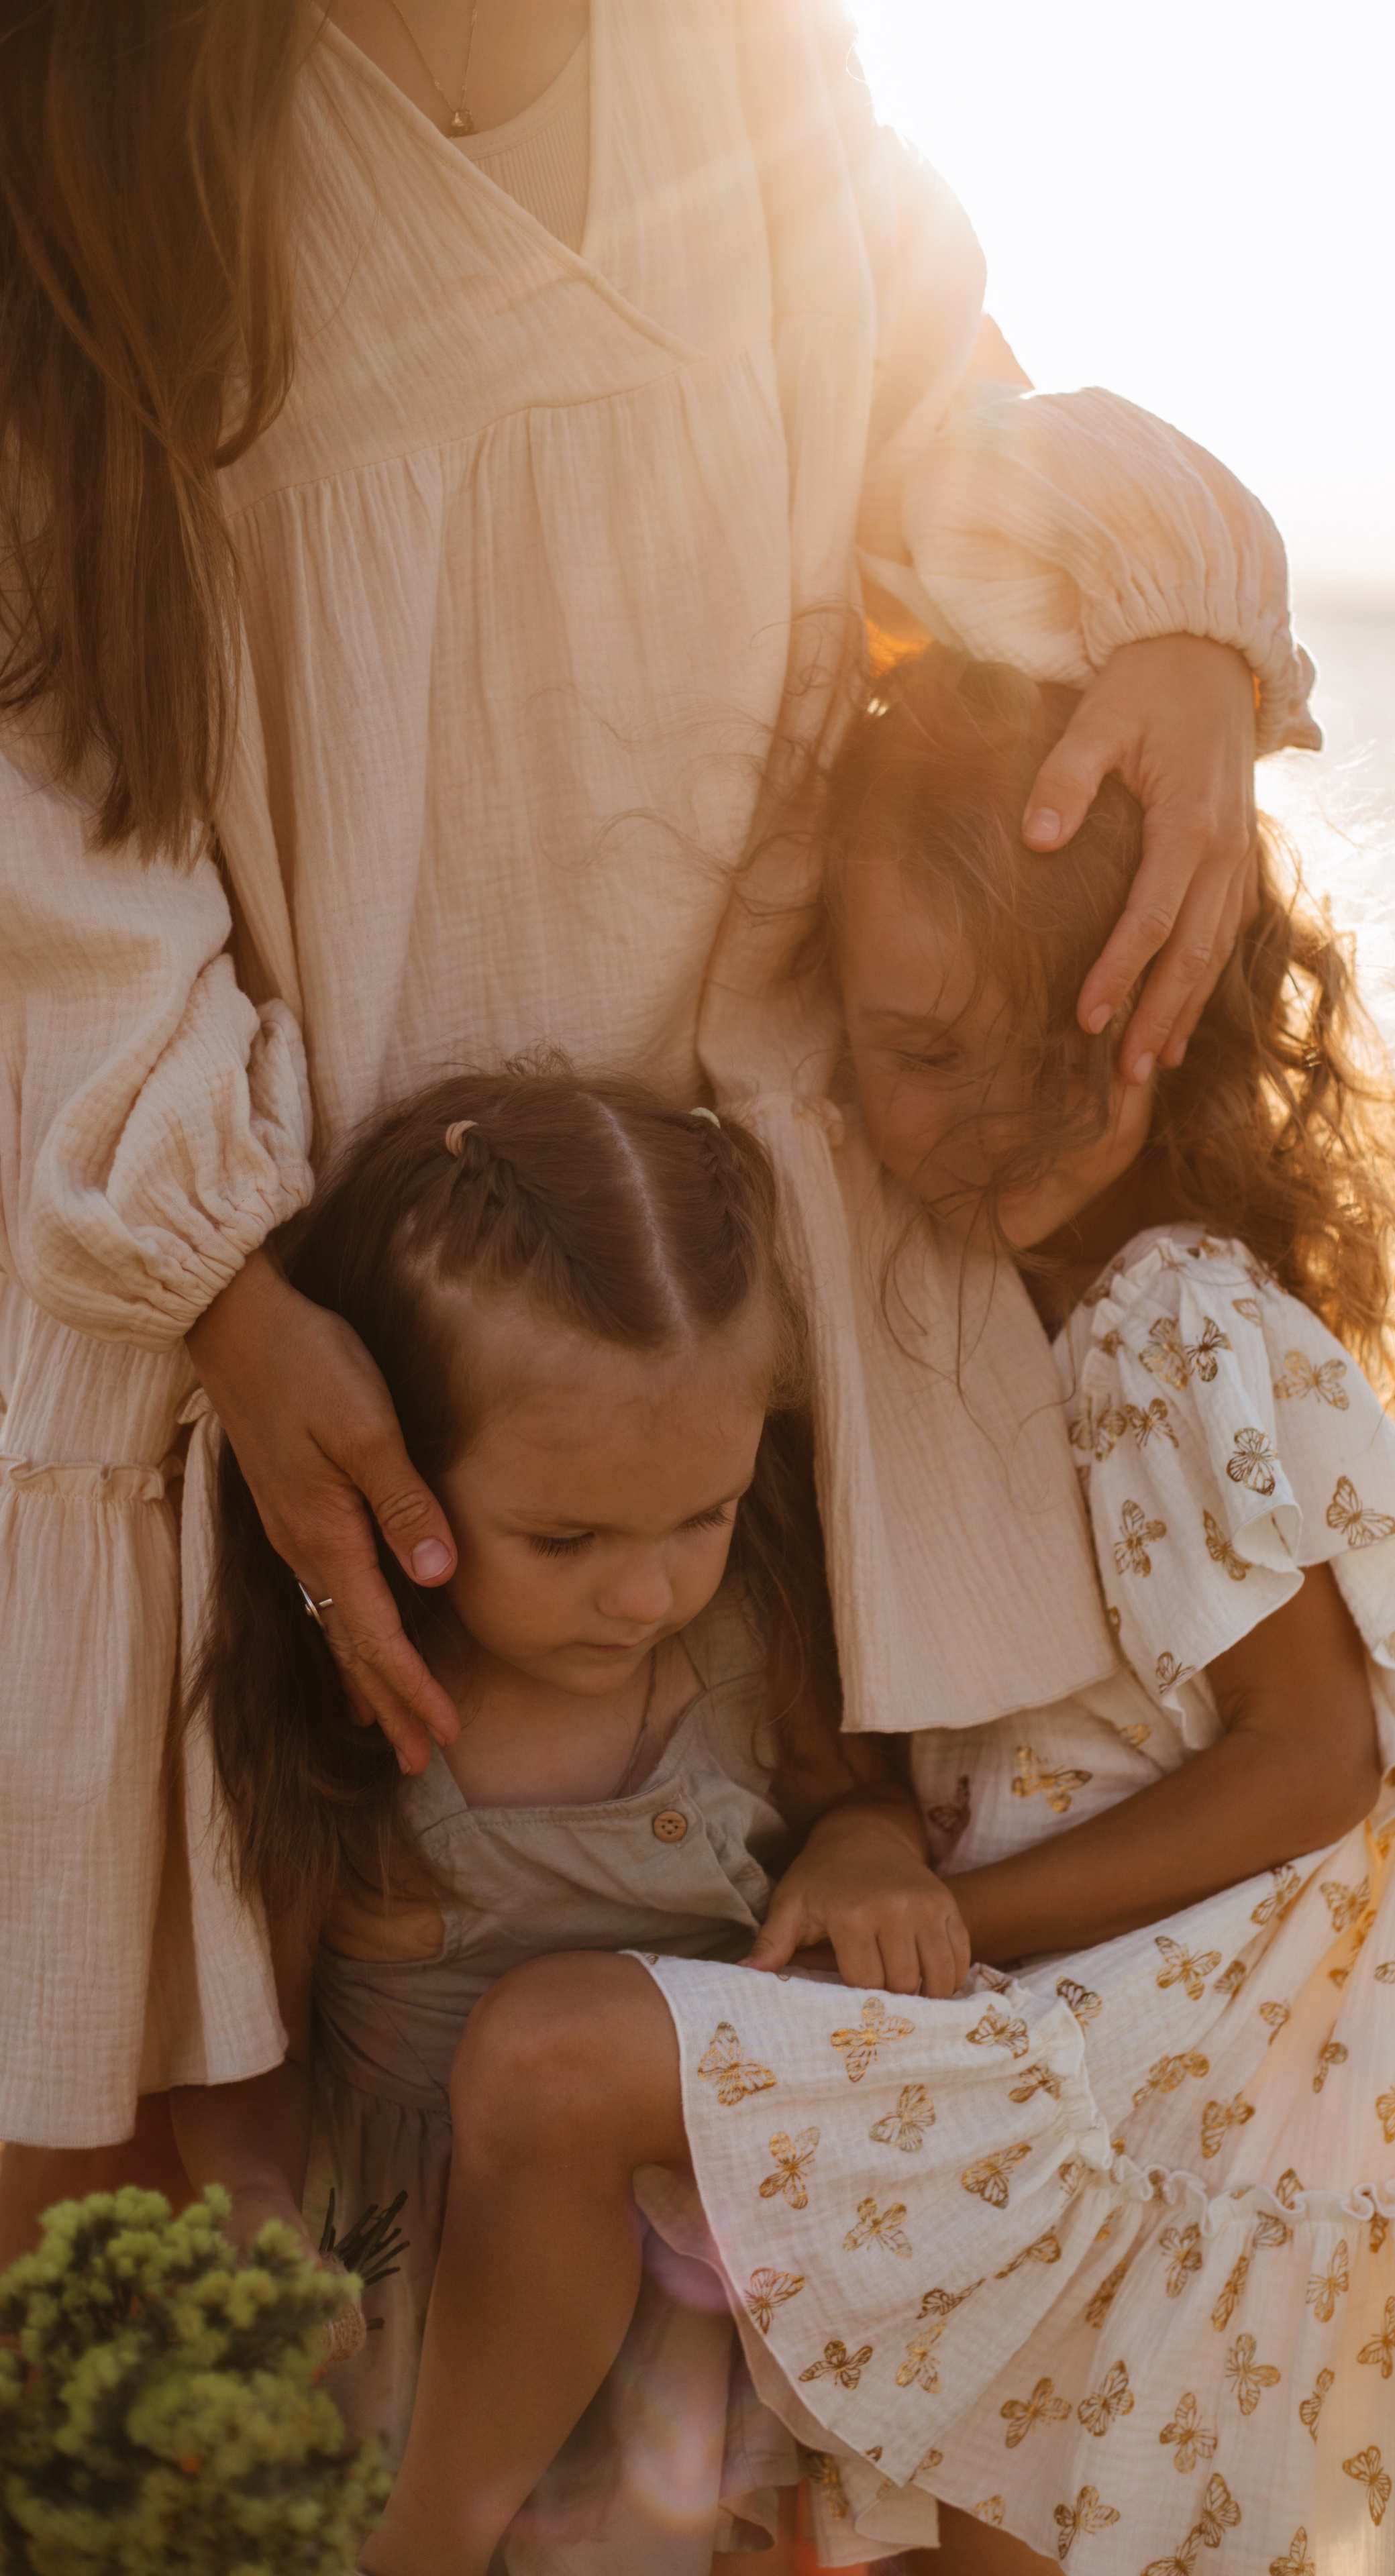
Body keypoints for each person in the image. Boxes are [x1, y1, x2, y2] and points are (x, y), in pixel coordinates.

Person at [0, 0, 1319, 2250]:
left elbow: (956, 434)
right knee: (165, 2186)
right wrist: (215, 1282)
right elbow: (36, 768)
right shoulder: (88, 119)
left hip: (725, 1308)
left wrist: (1172, 619)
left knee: (711, 2124)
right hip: (232, 1254)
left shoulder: (749, 63)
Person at [406, 651, 1395, 2576]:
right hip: (1087, 2050)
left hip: (1150, 2068)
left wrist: (942, 1920)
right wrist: (874, 1835)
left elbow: (1314, 1760)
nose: (968, 1119)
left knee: (552, 2065)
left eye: (1038, 1040)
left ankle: (387, 2540)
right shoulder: (1004, 1299)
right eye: (907, 1053)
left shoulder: (1166, 1315)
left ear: (1166, 1010)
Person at [173, 1062, 968, 2573]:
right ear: (397, 1463)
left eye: (702, 1514)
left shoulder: (742, 1638)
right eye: (566, 1535)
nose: (645, 1589)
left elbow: (842, 1800)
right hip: (421, 2295)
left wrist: (864, 1844)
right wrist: (253, 2203)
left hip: (687, 2286)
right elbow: (240, 2038)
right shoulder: (334, 1714)